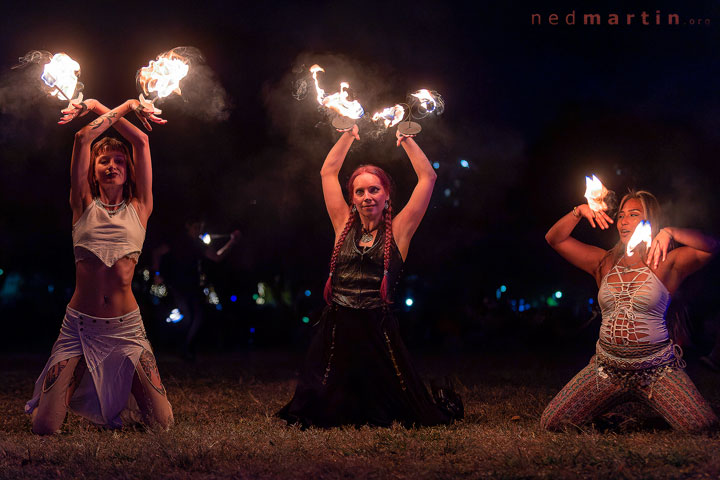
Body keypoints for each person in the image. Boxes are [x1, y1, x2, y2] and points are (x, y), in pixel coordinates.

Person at [278, 125, 463, 428]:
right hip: (339, 327)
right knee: (323, 406)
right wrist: (348, 135)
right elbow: (328, 172)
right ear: (352, 199)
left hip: (377, 328)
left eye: (374, 189)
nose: (367, 197)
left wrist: (406, 141)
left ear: (387, 196)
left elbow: (428, 177)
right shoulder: (342, 224)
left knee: (397, 406)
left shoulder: (400, 230)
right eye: (360, 191)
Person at [25, 98, 173, 434]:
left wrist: (133, 104)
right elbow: (81, 139)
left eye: (118, 161)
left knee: (163, 426)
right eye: (103, 160)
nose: (111, 165)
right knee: (45, 428)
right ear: (93, 169)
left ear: (128, 169)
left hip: (127, 330)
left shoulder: (141, 207)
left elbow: (141, 140)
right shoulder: (81, 204)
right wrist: (93, 106)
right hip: (79, 328)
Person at [541, 190, 718, 432]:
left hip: (656, 372)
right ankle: (609, 417)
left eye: (633, 214)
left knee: (702, 426)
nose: (624, 221)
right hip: (607, 370)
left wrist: (671, 232)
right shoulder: (604, 262)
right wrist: (579, 211)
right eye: (621, 215)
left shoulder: (666, 262)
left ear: (650, 222)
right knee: (552, 422)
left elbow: (711, 247)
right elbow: (555, 239)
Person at [152, 219, 240, 361]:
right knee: (187, 316)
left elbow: (217, 257)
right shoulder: (178, 241)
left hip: (193, 285)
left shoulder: (198, 244)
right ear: (188, 226)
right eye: (196, 226)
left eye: (201, 227)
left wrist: (232, 242)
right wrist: (156, 273)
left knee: (199, 315)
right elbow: (157, 252)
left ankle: (186, 349)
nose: (199, 229)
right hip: (178, 284)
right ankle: (182, 349)